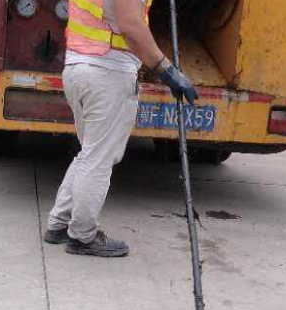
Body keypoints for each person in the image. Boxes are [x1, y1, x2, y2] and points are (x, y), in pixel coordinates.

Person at [44, 0, 198, 257]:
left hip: (79, 67)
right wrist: (166, 70)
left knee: (90, 153)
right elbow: (130, 25)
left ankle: (59, 224)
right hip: (107, 73)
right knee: (98, 159)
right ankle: (83, 236)